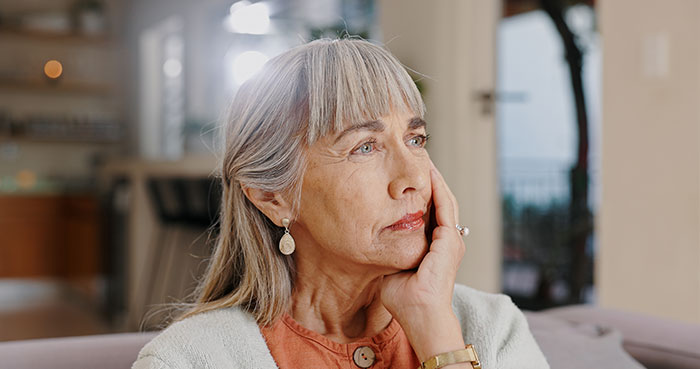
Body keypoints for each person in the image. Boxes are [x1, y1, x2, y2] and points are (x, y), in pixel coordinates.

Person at [132, 38, 549, 369]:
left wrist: (437, 333)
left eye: (415, 139)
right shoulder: (188, 360)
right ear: (271, 197)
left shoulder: (492, 326)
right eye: (365, 147)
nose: (413, 178)